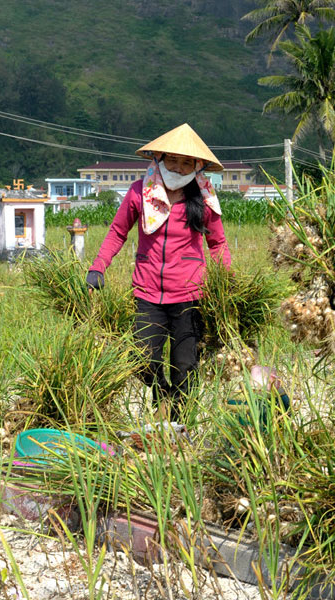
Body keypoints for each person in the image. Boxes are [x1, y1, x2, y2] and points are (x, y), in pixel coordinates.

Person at [86, 123, 232, 419]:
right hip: (147, 292)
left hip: (190, 295)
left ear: (197, 165)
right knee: (142, 360)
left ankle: (179, 426)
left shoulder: (203, 197)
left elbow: (217, 243)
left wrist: (227, 285)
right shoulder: (140, 192)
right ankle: (161, 391)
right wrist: (98, 267)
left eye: (187, 162)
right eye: (172, 160)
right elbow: (117, 231)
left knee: (186, 367)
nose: (178, 168)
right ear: (159, 158)